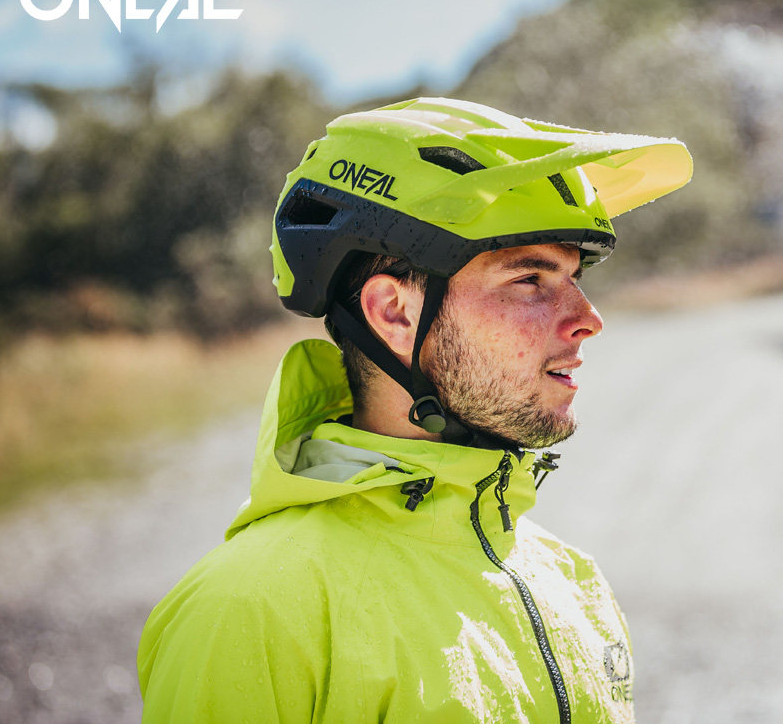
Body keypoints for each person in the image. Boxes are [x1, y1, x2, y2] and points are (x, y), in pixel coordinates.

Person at [137, 97, 692, 723]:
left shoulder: (573, 581)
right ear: (394, 313)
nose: (588, 319)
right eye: (529, 280)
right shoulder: (251, 609)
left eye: (575, 278)